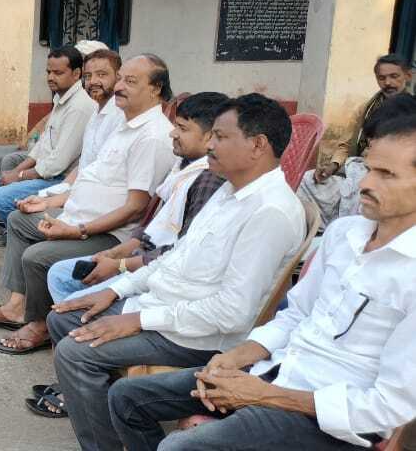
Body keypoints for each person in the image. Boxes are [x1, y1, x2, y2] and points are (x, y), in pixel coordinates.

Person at [108, 100, 416, 451]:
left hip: (324, 415)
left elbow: (386, 408)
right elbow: (296, 315)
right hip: (276, 370)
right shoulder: (344, 233)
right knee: (127, 398)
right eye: (369, 169)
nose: (366, 183)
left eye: (387, 175)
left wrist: (265, 396)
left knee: (178, 448)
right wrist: (240, 355)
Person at [49, 93, 305, 451]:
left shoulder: (270, 212)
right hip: (164, 308)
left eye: (221, 136)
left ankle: (104, 443)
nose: (210, 145)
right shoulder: (228, 191)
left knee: (76, 354)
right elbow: (173, 259)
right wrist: (116, 290)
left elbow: (232, 313)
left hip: (198, 336)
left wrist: (138, 320)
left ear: (257, 145)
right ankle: (106, 424)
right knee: (63, 318)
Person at [0, 54, 175, 354]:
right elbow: (90, 176)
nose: (118, 87)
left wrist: (76, 230)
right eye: (120, 79)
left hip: (109, 234)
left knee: (37, 257)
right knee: (19, 219)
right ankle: (17, 307)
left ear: (155, 89)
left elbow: (135, 208)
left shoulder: (151, 137)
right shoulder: (123, 125)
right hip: (77, 215)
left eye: (129, 81)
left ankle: (41, 324)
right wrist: (50, 201)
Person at [45, 92, 229, 306]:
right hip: (138, 254)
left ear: (210, 137)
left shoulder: (207, 179)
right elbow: (151, 230)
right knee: (60, 274)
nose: (172, 133)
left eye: (182, 128)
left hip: (157, 269)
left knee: (70, 298)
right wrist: (113, 254)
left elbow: (178, 251)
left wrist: (121, 265)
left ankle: (74, 321)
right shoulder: (182, 167)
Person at [0, 46, 96, 245]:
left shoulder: (79, 107)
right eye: (48, 72)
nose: (51, 77)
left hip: (61, 179)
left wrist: (19, 176)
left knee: (0, 198)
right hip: (47, 173)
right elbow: (42, 145)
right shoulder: (61, 98)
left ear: (76, 74)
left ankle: (28, 234)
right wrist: (16, 173)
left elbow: (57, 163)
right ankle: (14, 231)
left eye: (58, 73)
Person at [298, 54, 413, 226]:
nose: (388, 83)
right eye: (382, 78)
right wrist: (333, 166)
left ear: (408, 76)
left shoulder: (411, 109)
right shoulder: (367, 109)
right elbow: (346, 144)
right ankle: (320, 229)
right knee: (308, 181)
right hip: (358, 168)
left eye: (394, 76)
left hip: (392, 173)